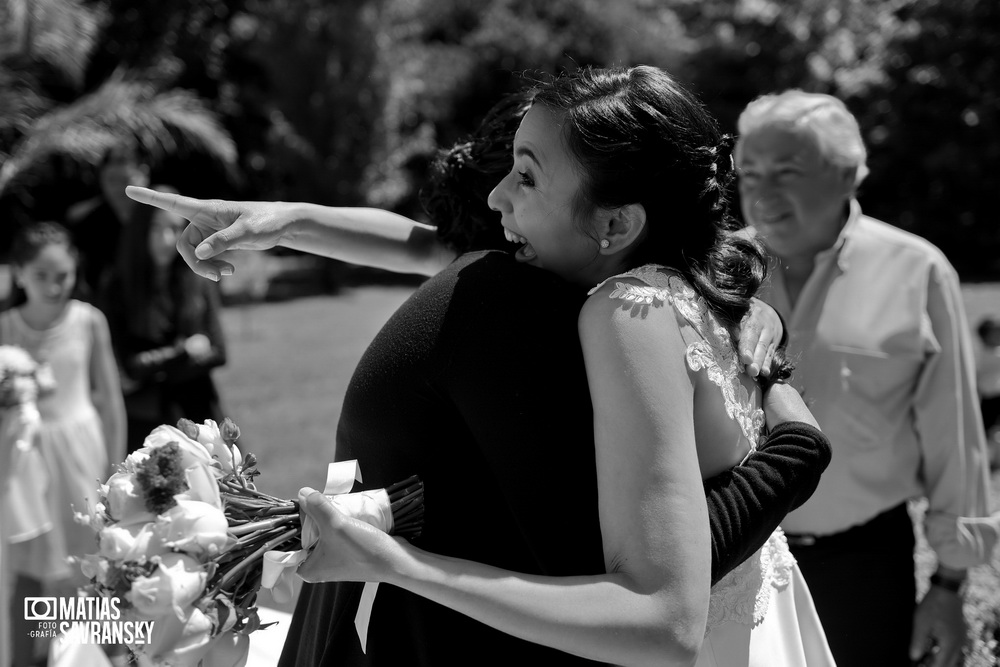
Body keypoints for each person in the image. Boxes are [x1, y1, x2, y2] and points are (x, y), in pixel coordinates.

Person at [132, 66, 835, 665]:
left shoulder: (625, 311)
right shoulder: (693, 287)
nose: (499, 199)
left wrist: (394, 562)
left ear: (616, 224)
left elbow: (661, 614)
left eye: (525, 178)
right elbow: (431, 245)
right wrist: (282, 220)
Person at [735, 89, 1000, 667]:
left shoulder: (918, 270)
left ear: (846, 175)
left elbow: (953, 434)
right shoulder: (717, 272)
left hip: (862, 568)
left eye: (787, 171)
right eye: (749, 173)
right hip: (733, 564)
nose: (761, 193)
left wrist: (951, 583)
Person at [1, 222, 126, 666]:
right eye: (41, 276)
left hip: (81, 455)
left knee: (92, 558)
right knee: (30, 563)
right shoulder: (5, 328)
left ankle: (111, 652)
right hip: (24, 462)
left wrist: (116, 468)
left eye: (64, 276)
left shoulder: (88, 320)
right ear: (17, 273)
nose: (54, 286)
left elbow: (110, 401)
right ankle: (29, 653)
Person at [102, 185, 227, 454]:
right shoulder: (119, 287)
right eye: (156, 228)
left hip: (198, 411)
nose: (167, 240)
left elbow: (219, 352)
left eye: (174, 229)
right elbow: (130, 366)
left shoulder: (197, 277)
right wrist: (185, 350)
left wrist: (155, 369)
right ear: (140, 231)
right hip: (148, 421)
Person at [66, 144, 152, 296]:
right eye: (111, 180)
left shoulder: (160, 217)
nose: (118, 188)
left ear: (143, 174)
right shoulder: (85, 221)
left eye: (125, 180)